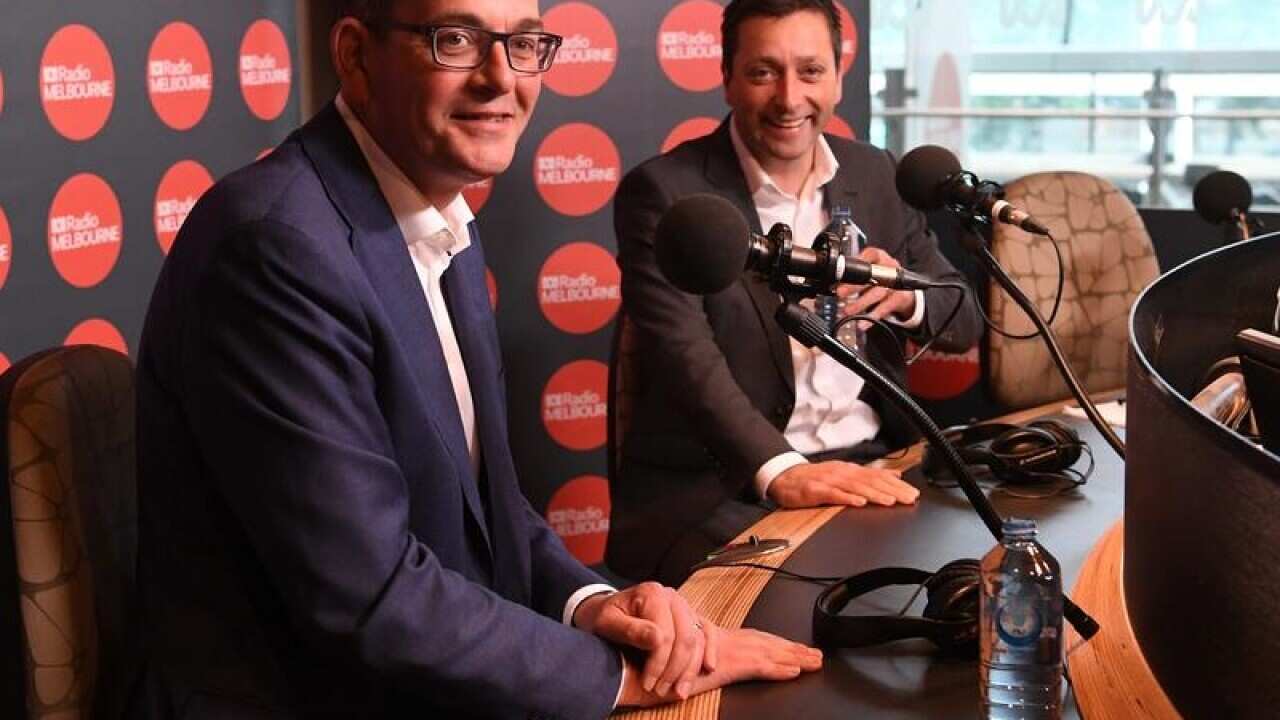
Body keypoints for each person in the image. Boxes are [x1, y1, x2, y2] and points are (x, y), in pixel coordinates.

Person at [129, 1, 820, 717]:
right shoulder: (275, 246)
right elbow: (365, 593)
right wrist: (617, 676)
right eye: (455, 39)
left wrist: (593, 605)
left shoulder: (436, 210)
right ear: (357, 56)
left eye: (523, 43)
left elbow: (482, 508)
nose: (501, 78)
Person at [606, 0, 984, 587]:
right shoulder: (665, 194)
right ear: (728, 78)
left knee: (969, 586)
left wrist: (904, 297)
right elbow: (685, 358)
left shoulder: (876, 175)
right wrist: (782, 471)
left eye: (810, 71)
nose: (789, 98)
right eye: (764, 72)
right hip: (727, 490)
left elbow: (962, 318)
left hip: (874, 463)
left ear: (837, 78)